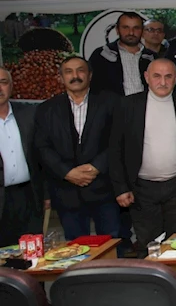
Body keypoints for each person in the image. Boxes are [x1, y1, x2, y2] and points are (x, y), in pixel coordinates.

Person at [108, 59, 176, 257]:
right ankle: (151, 278)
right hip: (142, 189)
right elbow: (115, 149)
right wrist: (121, 188)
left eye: (168, 76)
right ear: (146, 77)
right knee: (148, 244)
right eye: (157, 76)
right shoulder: (128, 105)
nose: (163, 82)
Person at [35, 57, 120, 241]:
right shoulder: (46, 109)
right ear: (60, 77)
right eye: (68, 72)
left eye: (80, 70)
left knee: (112, 245)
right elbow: (42, 147)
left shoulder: (111, 102)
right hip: (66, 192)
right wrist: (67, 172)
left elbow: (118, 140)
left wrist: (96, 167)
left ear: (90, 75)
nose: (75, 76)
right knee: (75, 249)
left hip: (104, 189)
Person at [0, 68, 46, 247]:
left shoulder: (28, 114)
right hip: (2, 198)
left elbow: (41, 155)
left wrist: (46, 194)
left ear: (11, 86)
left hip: (29, 195)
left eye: (3, 82)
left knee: (33, 251)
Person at [89, 12, 155, 96]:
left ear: (142, 31)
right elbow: (92, 87)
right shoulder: (101, 55)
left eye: (136, 28)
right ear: (117, 30)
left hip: (146, 103)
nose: (131, 32)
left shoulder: (152, 57)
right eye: (125, 27)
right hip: (112, 104)